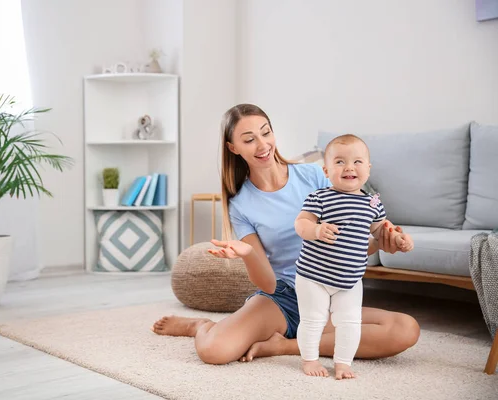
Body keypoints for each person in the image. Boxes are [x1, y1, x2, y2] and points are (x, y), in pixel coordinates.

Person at [151, 104, 420, 370]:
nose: (262, 144)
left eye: (265, 132)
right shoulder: (241, 205)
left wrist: (384, 243)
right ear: (234, 148)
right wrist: (248, 255)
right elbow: (267, 283)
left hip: (330, 292)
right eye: (249, 139)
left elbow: (350, 247)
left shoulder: (316, 175)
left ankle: (286, 346)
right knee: (214, 350)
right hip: (283, 297)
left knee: (405, 329)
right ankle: (201, 325)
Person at [293, 134, 414, 379]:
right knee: (313, 319)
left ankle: (343, 363)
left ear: (368, 169)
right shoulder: (320, 197)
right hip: (313, 276)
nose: (349, 167)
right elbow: (301, 223)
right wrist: (315, 230)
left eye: (357, 162)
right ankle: (309, 360)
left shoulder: (372, 204)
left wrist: (400, 239)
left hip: (350, 279)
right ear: (326, 170)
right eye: (339, 162)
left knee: (350, 322)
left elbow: (382, 231)